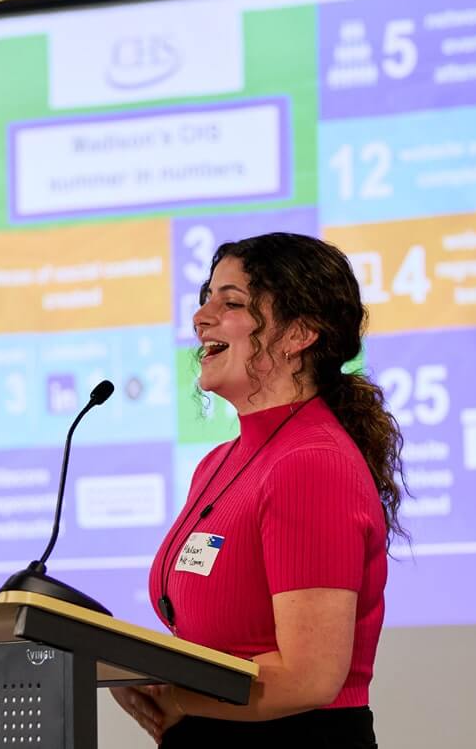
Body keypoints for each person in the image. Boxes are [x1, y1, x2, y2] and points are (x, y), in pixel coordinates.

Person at [112, 232, 406, 747]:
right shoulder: (217, 464)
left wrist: (178, 701)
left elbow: (307, 676)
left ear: (298, 334)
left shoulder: (311, 463)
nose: (201, 318)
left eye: (231, 303)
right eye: (205, 299)